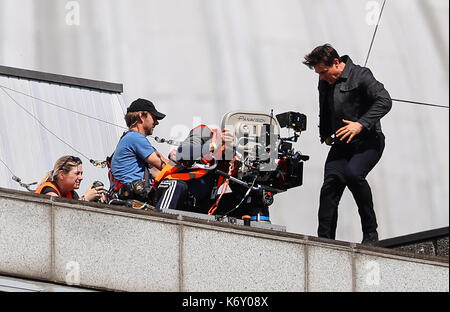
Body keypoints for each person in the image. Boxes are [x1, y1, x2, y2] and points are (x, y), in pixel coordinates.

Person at [303, 44, 392, 245]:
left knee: (353, 174)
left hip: (369, 140)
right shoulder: (324, 80)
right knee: (330, 186)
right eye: (319, 74)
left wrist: (360, 125)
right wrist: (325, 133)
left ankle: (370, 234)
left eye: (324, 72)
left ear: (336, 62)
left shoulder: (361, 75)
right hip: (342, 143)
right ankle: (324, 241)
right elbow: (324, 107)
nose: (322, 77)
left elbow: (385, 101)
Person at [108, 98, 169, 204]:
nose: (157, 122)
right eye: (154, 117)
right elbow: (166, 166)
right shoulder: (135, 138)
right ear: (141, 116)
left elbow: (157, 172)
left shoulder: (129, 139)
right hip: (130, 201)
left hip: (128, 199)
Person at [35, 155, 104, 202]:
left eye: (81, 173)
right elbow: (60, 214)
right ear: (61, 175)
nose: (81, 178)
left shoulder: (72, 194)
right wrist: (85, 199)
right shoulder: (49, 190)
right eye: (77, 173)